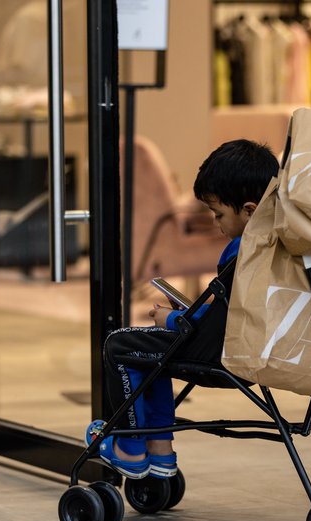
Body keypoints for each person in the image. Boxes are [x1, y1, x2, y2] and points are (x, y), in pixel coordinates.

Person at [87, 139, 279, 479]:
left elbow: (227, 322)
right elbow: (241, 312)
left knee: (120, 344)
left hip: (218, 357)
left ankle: (130, 447)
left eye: (219, 213)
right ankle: (160, 453)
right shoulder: (283, 246)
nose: (216, 222)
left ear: (249, 210)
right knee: (153, 354)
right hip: (259, 354)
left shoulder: (242, 251)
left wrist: (174, 318)